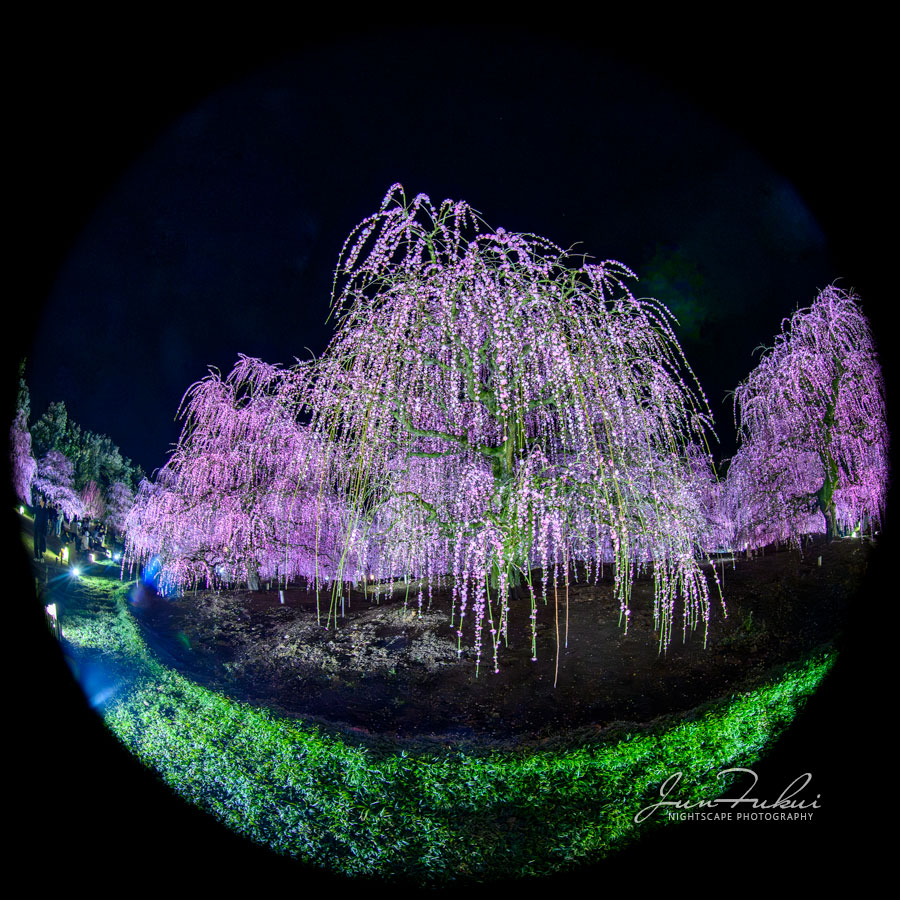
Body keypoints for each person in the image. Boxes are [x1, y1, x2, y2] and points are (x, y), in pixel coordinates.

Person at [33, 497, 50, 561]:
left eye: (41, 500)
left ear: (43, 502)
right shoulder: (38, 508)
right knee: (35, 541)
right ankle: (36, 556)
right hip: (36, 527)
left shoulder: (45, 511)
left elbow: (46, 522)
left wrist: (45, 530)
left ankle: (40, 556)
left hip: (41, 528)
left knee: (40, 542)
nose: (40, 501)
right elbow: (31, 510)